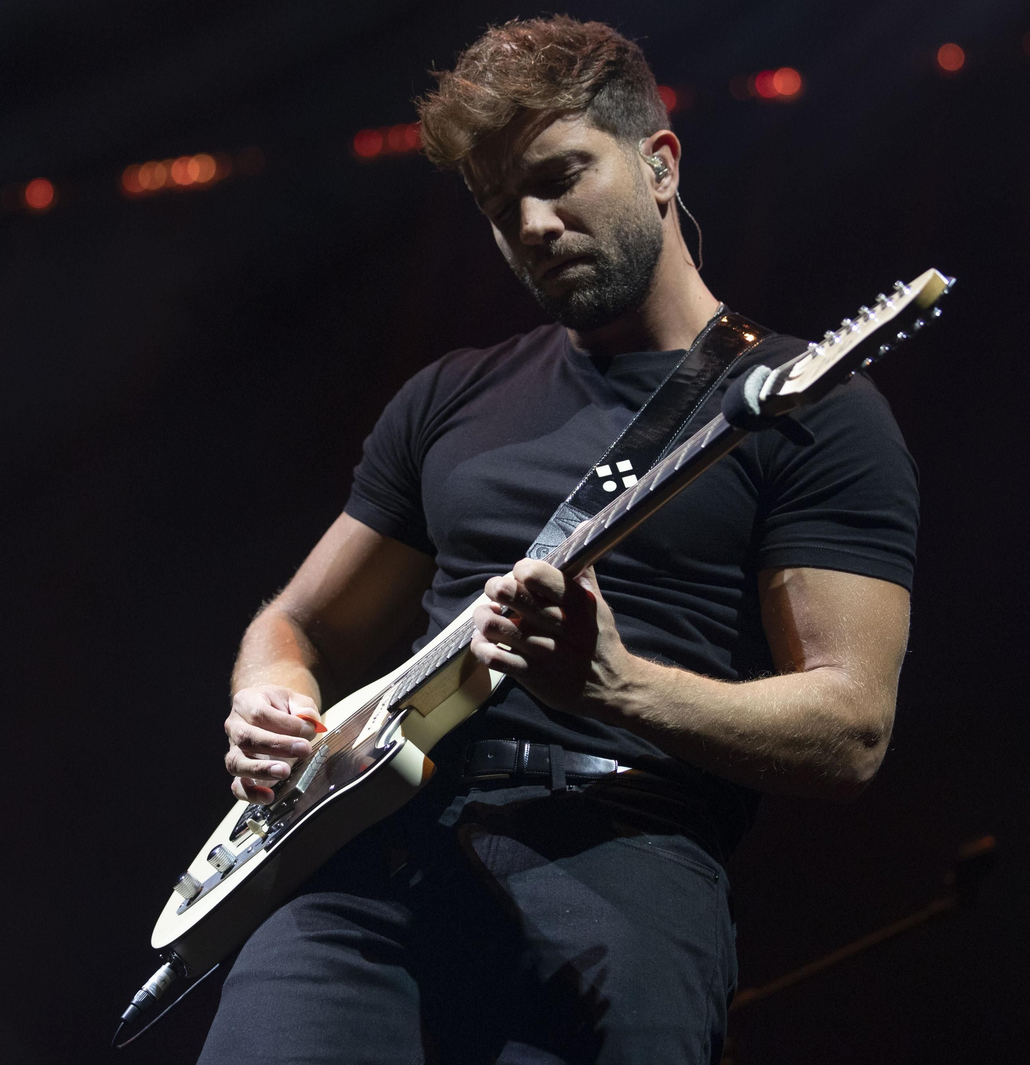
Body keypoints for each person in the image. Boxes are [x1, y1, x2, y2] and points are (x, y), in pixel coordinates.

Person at [204, 16, 917, 1065]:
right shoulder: (448, 397)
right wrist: (273, 703)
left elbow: (852, 728)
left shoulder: (813, 407)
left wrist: (620, 687)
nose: (533, 224)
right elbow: (299, 623)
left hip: (624, 856)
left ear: (659, 162)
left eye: (560, 176)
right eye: (500, 208)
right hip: (373, 861)